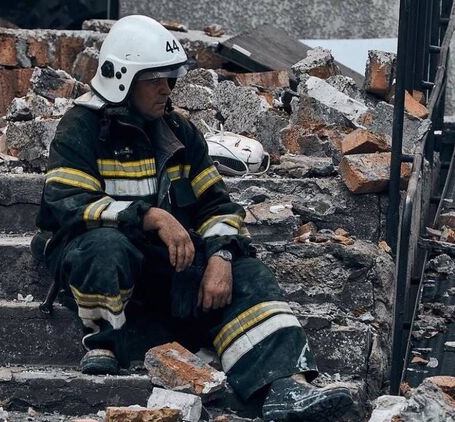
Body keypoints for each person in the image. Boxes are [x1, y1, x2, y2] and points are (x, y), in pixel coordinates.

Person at [33, 15, 353, 421]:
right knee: (105, 245)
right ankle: (104, 343)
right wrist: (151, 217)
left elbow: (217, 206)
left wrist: (221, 256)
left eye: (170, 78)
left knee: (248, 273)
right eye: (155, 80)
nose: (167, 89)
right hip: (104, 269)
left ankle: (284, 387)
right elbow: (66, 202)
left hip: (169, 268)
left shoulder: (180, 131)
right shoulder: (80, 127)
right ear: (122, 80)